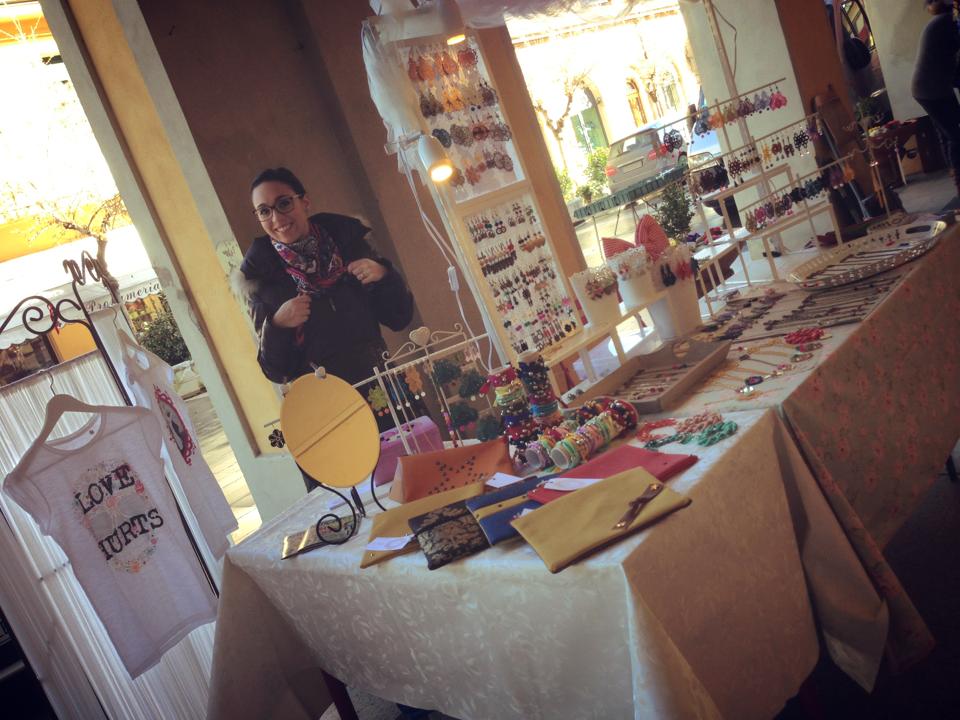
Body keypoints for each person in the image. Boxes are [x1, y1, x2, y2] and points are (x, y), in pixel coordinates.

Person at [912, 0, 960, 195]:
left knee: (948, 132)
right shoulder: (947, 24)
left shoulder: (943, 22)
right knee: (955, 135)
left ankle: (955, 175)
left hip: (930, 88)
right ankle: (958, 180)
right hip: (932, 89)